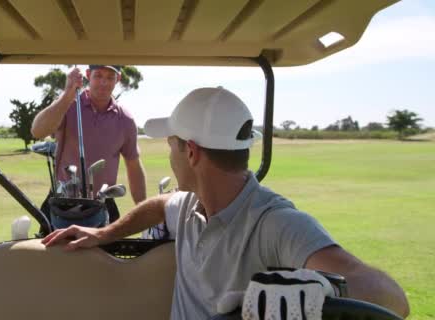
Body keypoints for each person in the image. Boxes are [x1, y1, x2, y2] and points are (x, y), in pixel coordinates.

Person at [41, 87, 410, 319]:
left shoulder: (274, 221)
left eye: (170, 145)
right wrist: (103, 232)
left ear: (190, 151)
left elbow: (392, 298)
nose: (169, 156)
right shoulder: (188, 204)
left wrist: (324, 288)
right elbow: (157, 205)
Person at [31, 65, 147, 223]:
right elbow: (37, 131)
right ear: (88, 75)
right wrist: (67, 95)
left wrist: (143, 210)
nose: (104, 82)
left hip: (103, 202)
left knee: (111, 248)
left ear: (118, 79)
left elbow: (133, 165)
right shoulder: (68, 105)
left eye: (110, 77)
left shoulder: (125, 120)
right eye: (98, 75)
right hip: (62, 202)